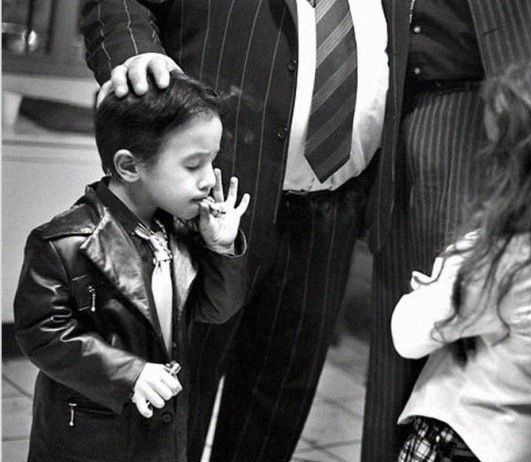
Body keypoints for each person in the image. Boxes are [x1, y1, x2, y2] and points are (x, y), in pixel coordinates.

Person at [80, 2, 388, 461]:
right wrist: (135, 56)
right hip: (203, 207)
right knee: (170, 406)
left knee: (273, 416)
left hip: (331, 216)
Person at [362, 1, 531, 459]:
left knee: (429, 339)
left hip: (490, 102)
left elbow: (408, 329)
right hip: (430, 108)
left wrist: (462, 264)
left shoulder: (515, 234)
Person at [13, 73, 249, 462]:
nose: (209, 180)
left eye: (212, 161)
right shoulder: (62, 243)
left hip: (160, 432)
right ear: (129, 166)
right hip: (89, 436)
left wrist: (221, 249)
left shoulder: (180, 230)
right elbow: (42, 334)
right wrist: (129, 373)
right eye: (193, 165)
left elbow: (215, 309)